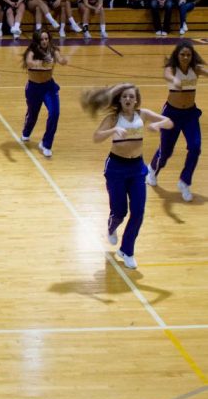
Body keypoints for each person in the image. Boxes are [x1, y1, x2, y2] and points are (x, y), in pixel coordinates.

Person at [81, 84, 173, 269]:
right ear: (120, 100)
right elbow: (96, 137)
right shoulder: (114, 118)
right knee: (120, 211)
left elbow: (169, 121)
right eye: (124, 97)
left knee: (138, 211)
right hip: (116, 167)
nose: (128, 100)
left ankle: (127, 250)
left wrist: (157, 124)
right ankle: (112, 225)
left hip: (137, 167)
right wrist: (112, 131)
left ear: (136, 99)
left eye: (131, 97)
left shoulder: (143, 114)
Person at [147, 40, 206, 202]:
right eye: (182, 54)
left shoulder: (196, 69)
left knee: (195, 147)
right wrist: (174, 80)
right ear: (177, 55)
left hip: (190, 114)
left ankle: (184, 182)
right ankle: (152, 169)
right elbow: (167, 75)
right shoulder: (171, 68)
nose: (185, 57)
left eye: (188, 54)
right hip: (171, 115)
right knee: (166, 152)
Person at [21, 30, 67, 157]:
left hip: (49, 87)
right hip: (33, 88)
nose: (45, 41)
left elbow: (60, 59)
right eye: (42, 39)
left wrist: (63, 60)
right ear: (37, 40)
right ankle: (26, 131)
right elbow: (30, 62)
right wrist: (43, 63)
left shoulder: (53, 50)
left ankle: (46, 144)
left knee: (55, 113)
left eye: (46, 39)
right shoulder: (31, 51)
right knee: (32, 115)